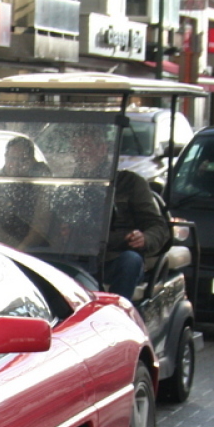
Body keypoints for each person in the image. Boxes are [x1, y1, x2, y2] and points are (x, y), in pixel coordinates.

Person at [70, 127, 169, 302]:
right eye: (76, 151)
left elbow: (158, 227)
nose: (81, 156)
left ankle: (116, 316)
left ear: (103, 149)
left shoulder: (130, 183)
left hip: (114, 257)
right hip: (78, 256)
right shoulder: (71, 185)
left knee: (130, 261)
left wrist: (145, 238)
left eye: (86, 149)